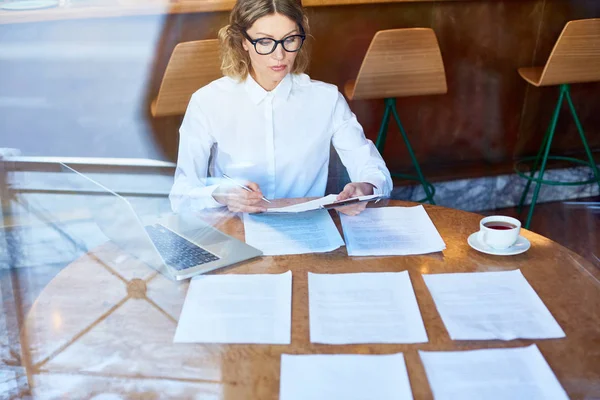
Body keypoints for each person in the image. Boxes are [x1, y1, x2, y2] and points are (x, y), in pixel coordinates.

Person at [169, 0, 392, 216]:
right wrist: (219, 194)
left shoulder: (327, 99)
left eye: (290, 39)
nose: (280, 55)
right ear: (243, 42)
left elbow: (375, 172)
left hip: (309, 232)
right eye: (265, 42)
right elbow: (181, 196)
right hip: (237, 230)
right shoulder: (208, 101)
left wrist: (365, 187)